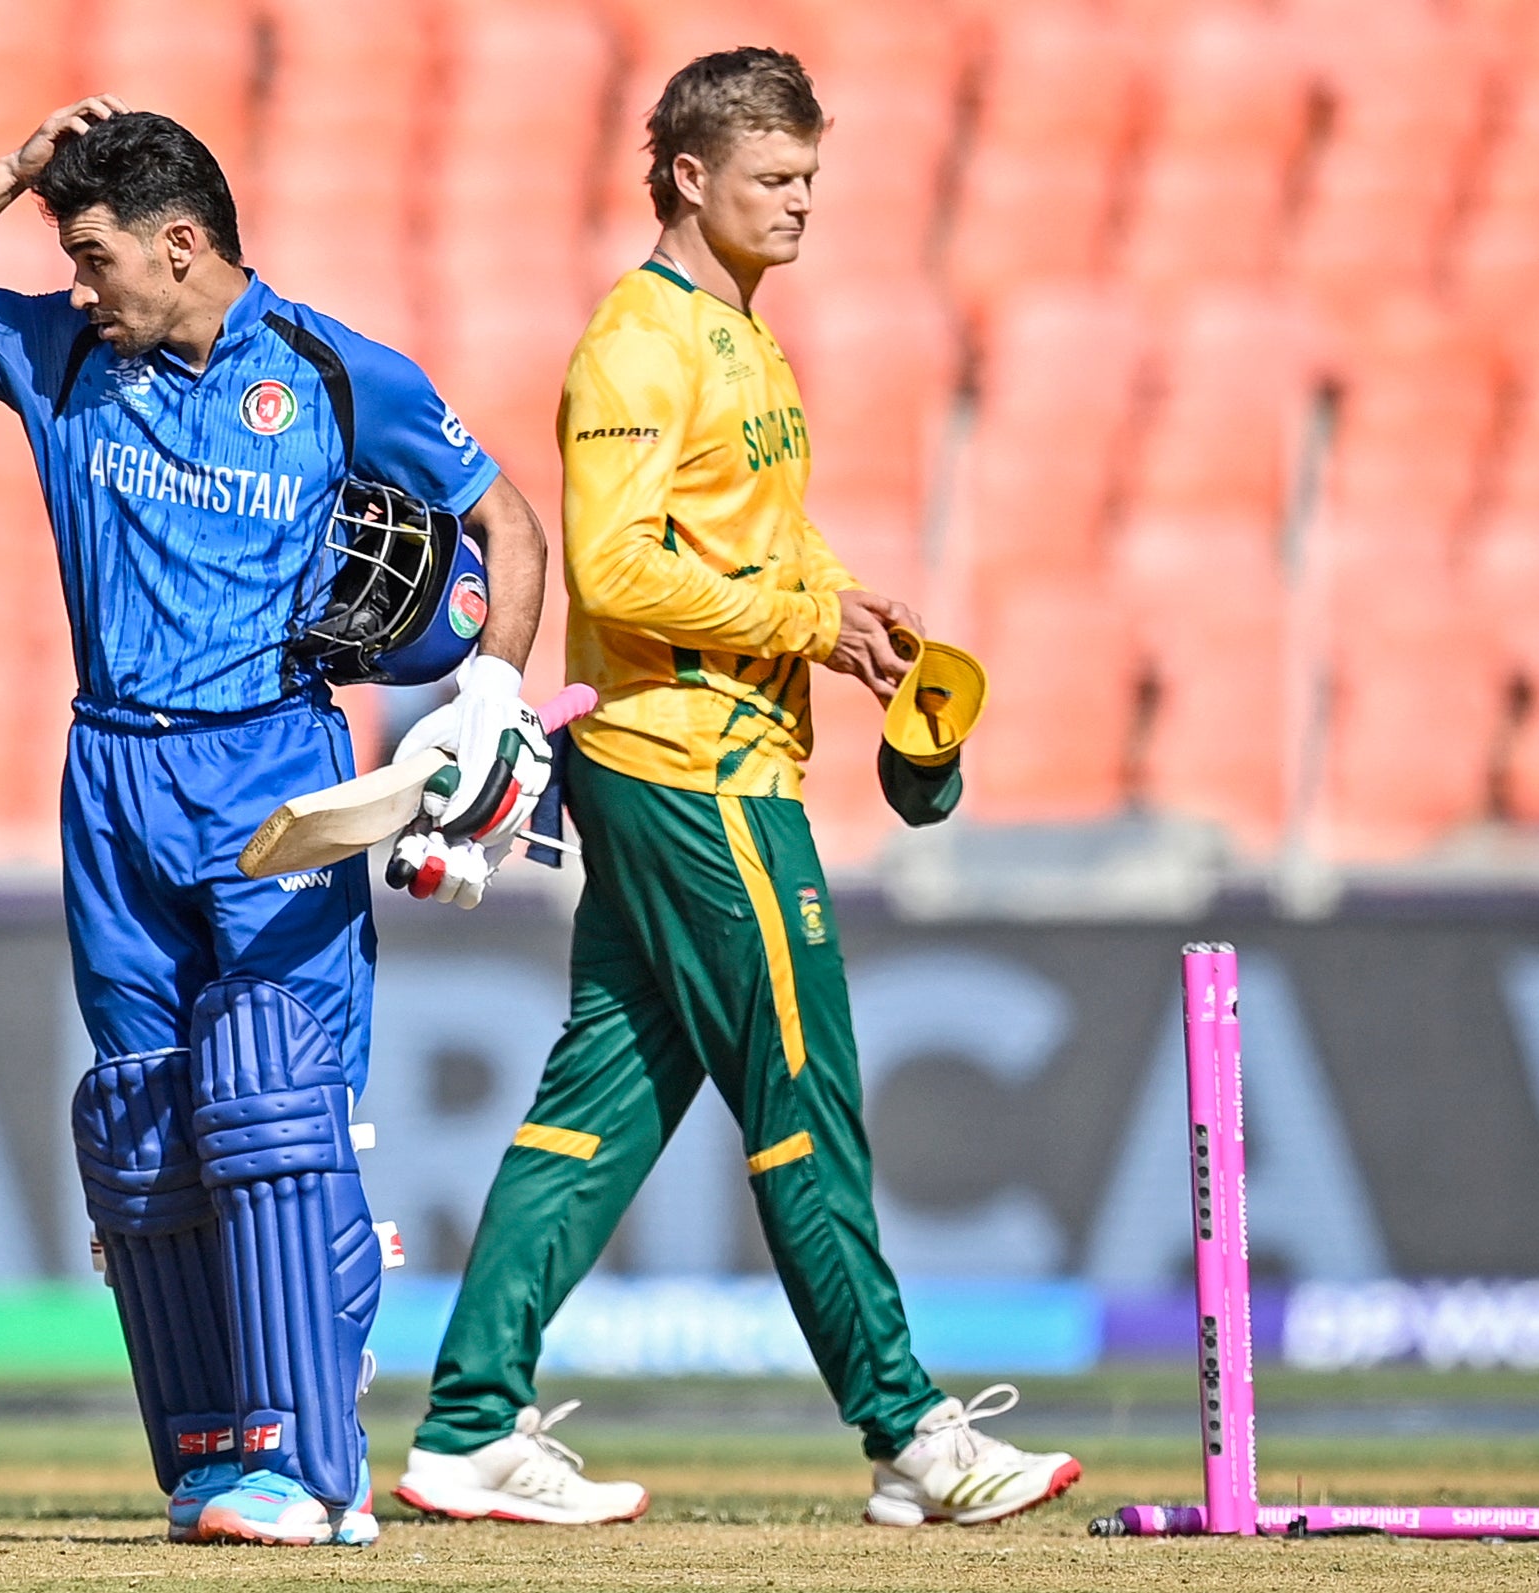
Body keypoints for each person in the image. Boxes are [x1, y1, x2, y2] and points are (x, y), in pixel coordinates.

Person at [0, 100, 554, 1547]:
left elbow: (513, 531)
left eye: (96, 255)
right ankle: (217, 1450)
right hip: (108, 775)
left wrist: (487, 691)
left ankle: (314, 1464)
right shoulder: (56, 351)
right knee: (151, 1118)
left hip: (273, 770)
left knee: (276, 1105)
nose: (80, 284)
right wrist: (14, 175)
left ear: (182, 244)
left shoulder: (337, 368)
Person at [392, 48, 1082, 1530]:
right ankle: (909, 1431)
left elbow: (745, 538)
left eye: (812, 180)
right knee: (802, 1097)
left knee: (602, 1103)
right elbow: (620, 565)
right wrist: (796, 622)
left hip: (701, 756)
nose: (801, 206)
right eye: (775, 179)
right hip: (694, 770)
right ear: (688, 177)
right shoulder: (638, 345)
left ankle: (464, 1425)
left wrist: (844, 606)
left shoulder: (740, 338)